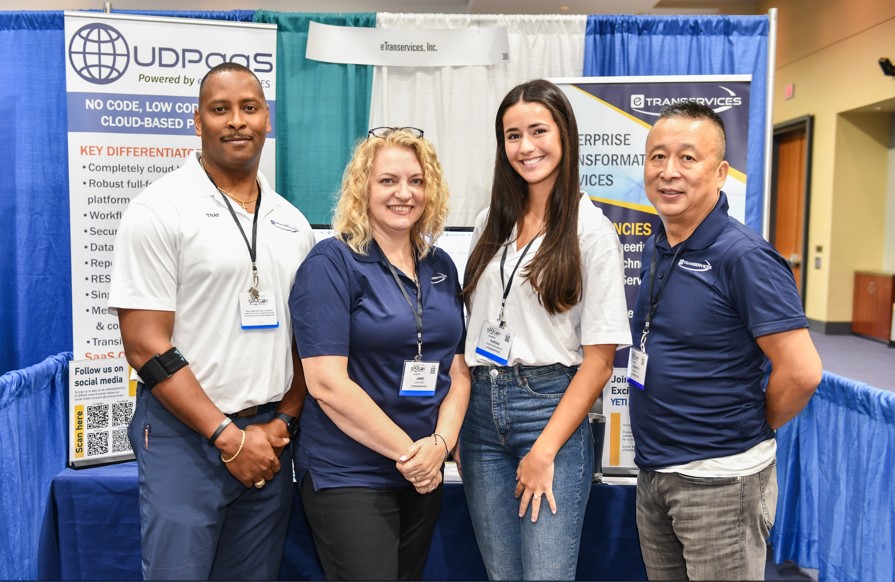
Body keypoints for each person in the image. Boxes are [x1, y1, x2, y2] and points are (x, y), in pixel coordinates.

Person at [108, 62, 315, 580]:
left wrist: (283, 422)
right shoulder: (158, 210)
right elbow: (144, 345)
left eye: (249, 108)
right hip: (187, 439)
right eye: (220, 110)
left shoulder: (293, 223)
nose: (237, 121)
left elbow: (305, 342)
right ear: (197, 122)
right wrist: (226, 436)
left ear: (268, 119)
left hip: (268, 437)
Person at [629, 100, 823, 581]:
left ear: (720, 173)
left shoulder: (744, 257)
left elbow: (801, 372)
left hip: (720, 482)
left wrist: (747, 427)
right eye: (657, 156)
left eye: (687, 158)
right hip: (656, 473)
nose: (669, 172)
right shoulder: (661, 243)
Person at [459, 79, 632, 581]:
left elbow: (600, 362)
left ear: (566, 136)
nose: (526, 146)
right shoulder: (489, 222)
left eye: (538, 130)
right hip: (481, 416)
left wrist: (545, 449)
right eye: (512, 135)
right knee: (502, 575)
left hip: (549, 411)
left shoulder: (591, 231)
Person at [289, 127, 470, 581]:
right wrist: (413, 454)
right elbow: (327, 384)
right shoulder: (331, 263)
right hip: (349, 473)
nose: (403, 193)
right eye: (388, 181)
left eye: (416, 181)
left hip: (421, 472)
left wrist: (441, 445)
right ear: (362, 189)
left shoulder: (441, 266)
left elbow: (457, 371)